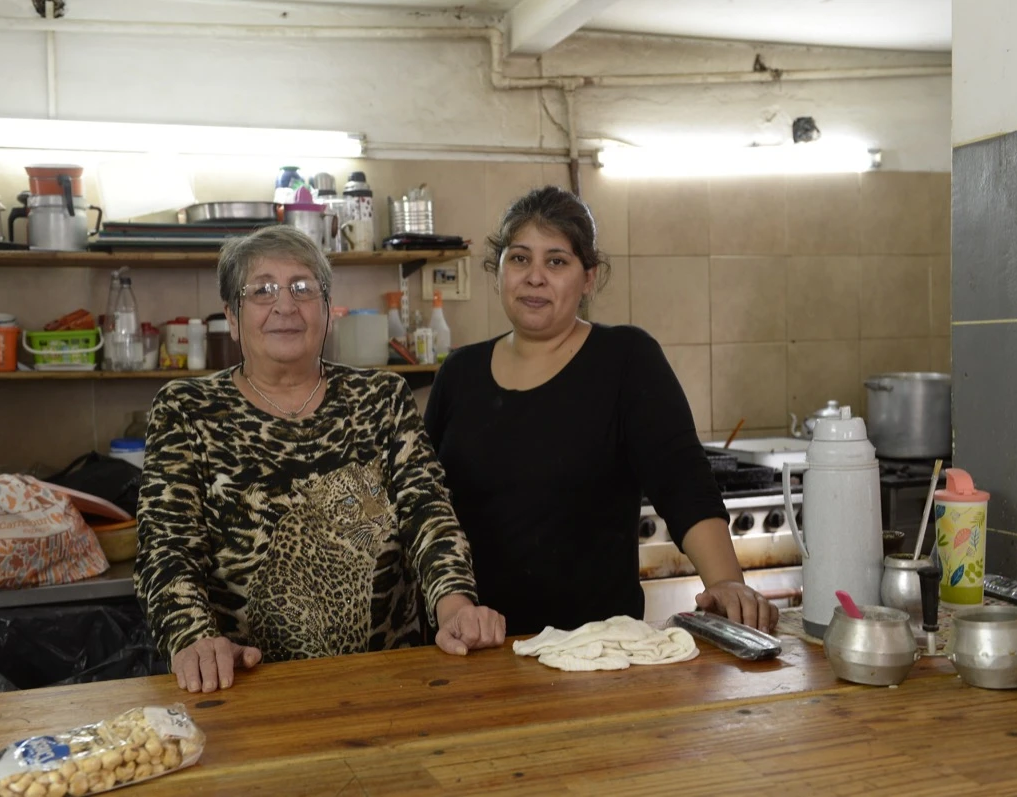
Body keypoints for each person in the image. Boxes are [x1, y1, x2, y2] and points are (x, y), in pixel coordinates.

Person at [136, 225, 505, 694]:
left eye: (303, 288)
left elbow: (427, 513)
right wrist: (194, 639)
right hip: (244, 686)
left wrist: (454, 607)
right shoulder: (186, 408)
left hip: (390, 680)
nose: (285, 306)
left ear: (328, 311)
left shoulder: (381, 397)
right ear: (232, 316)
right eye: (263, 290)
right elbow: (167, 549)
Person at [424, 186, 778, 637]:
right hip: (479, 647)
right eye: (519, 258)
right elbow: (425, 509)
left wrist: (726, 583)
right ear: (498, 270)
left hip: (595, 654)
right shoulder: (459, 373)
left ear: (588, 277)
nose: (535, 277)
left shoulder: (626, 359)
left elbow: (683, 482)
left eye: (556, 261)